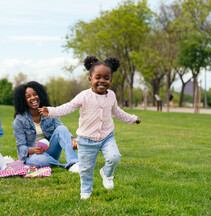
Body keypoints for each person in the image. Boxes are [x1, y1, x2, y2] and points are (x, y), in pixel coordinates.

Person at [39, 56, 141, 200]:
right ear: (90, 79)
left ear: (110, 80)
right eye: (97, 77)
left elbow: (117, 112)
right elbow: (67, 107)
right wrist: (50, 111)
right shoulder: (84, 96)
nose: (102, 81)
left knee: (115, 157)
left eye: (106, 78)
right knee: (86, 169)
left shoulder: (111, 95)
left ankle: (106, 172)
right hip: (86, 140)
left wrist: (132, 119)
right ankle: (86, 191)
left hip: (106, 137)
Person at [12, 81, 79, 172]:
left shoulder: (48, 112)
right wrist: (34, 150)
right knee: (42, 160)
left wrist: (72, 139)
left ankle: (74, 163)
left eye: (35, 94)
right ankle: (63, 166)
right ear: (23, 100)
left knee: (62, 128)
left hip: (50, 151)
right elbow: (21, 148)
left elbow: (61, 130)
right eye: (28, 96)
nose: (33, 98)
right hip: (33, 156)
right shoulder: (19, 120)